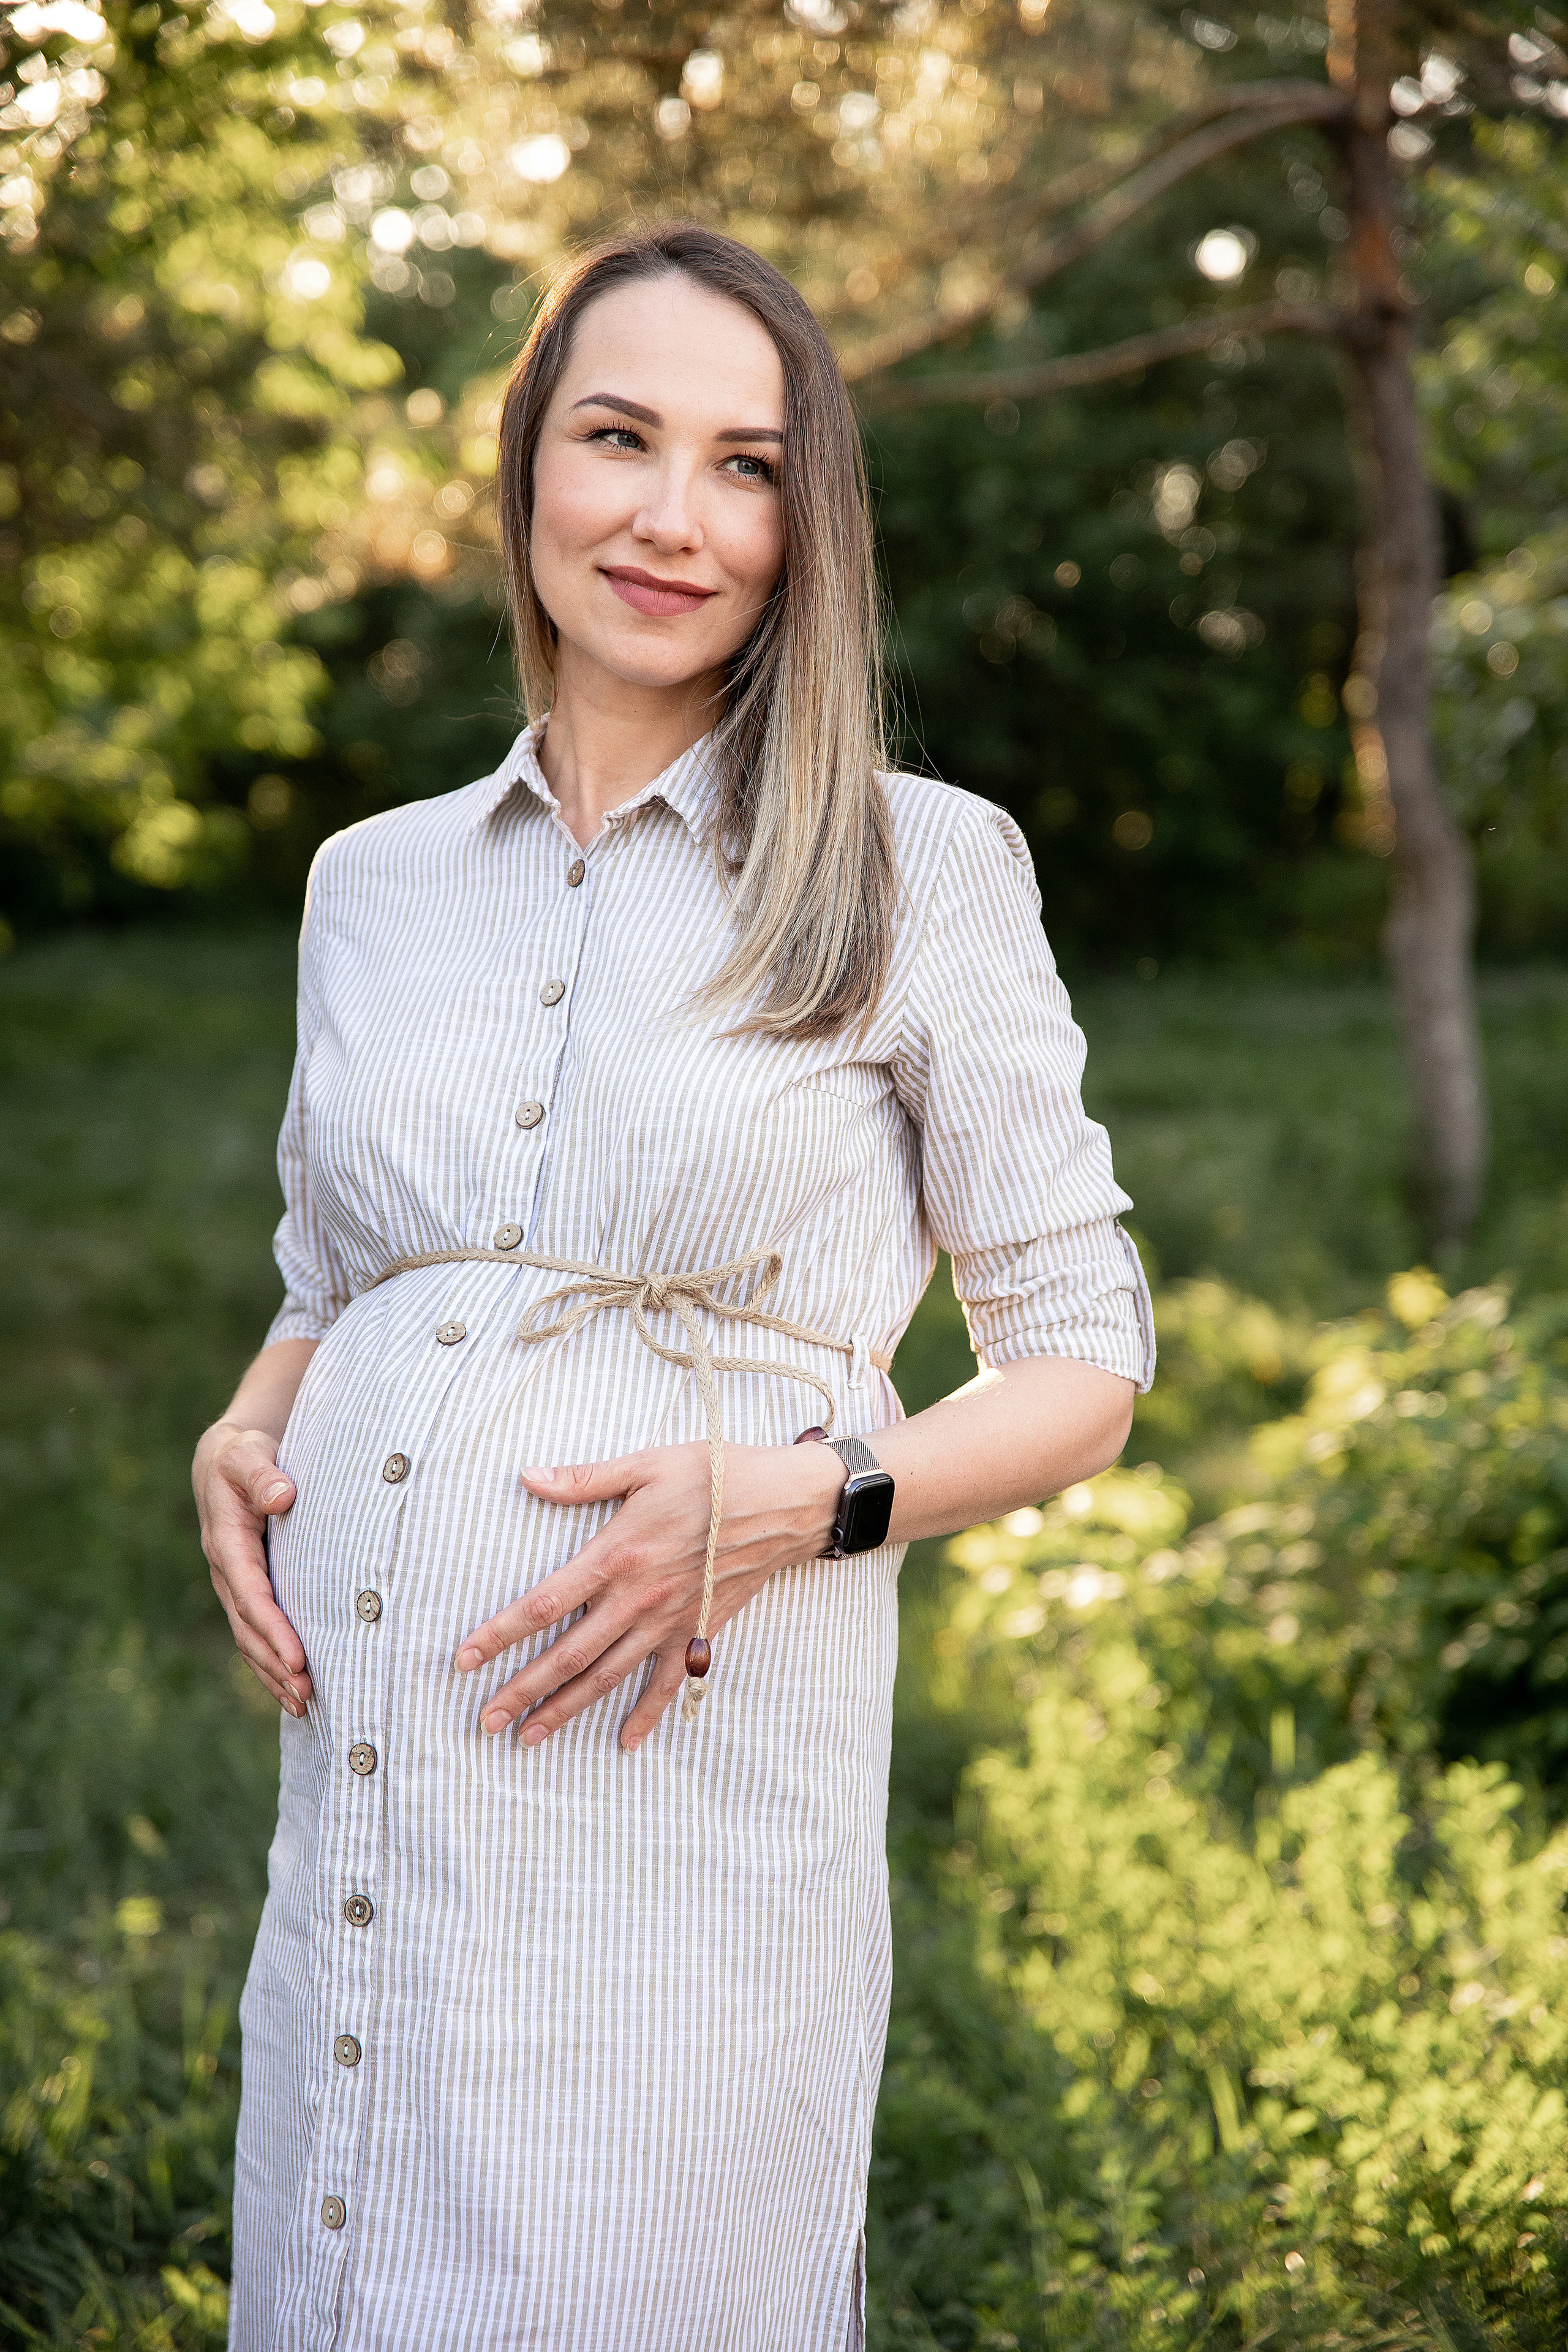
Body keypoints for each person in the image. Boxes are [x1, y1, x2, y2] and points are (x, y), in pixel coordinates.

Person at [193, 221, 1154, 2352]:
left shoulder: (921, 865)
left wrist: (801, 1493)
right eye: (620, 438)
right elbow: (335, 1267)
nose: (672, 517)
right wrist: (257, 1423)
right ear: (529, 460)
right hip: (369, 1768)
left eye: (747, 465)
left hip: (682, 1762)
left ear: (809, 524)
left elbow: (1085, 1362)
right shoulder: (375, 888)